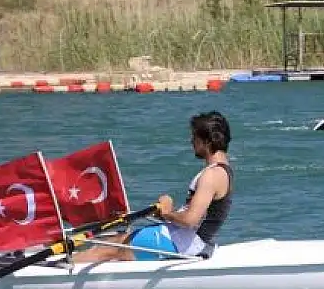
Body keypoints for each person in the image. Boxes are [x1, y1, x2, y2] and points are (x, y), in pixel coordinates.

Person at [73, 110, 234, 262]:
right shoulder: (225, 170)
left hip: (183, 243)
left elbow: (190, 220)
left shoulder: (211, 175)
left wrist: (167, 213)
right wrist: (166, 214)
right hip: (184, 238)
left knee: (107, 247)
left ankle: (54, 272)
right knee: (118, 240)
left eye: (195, 137)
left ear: (206, 141)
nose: (191, 141)